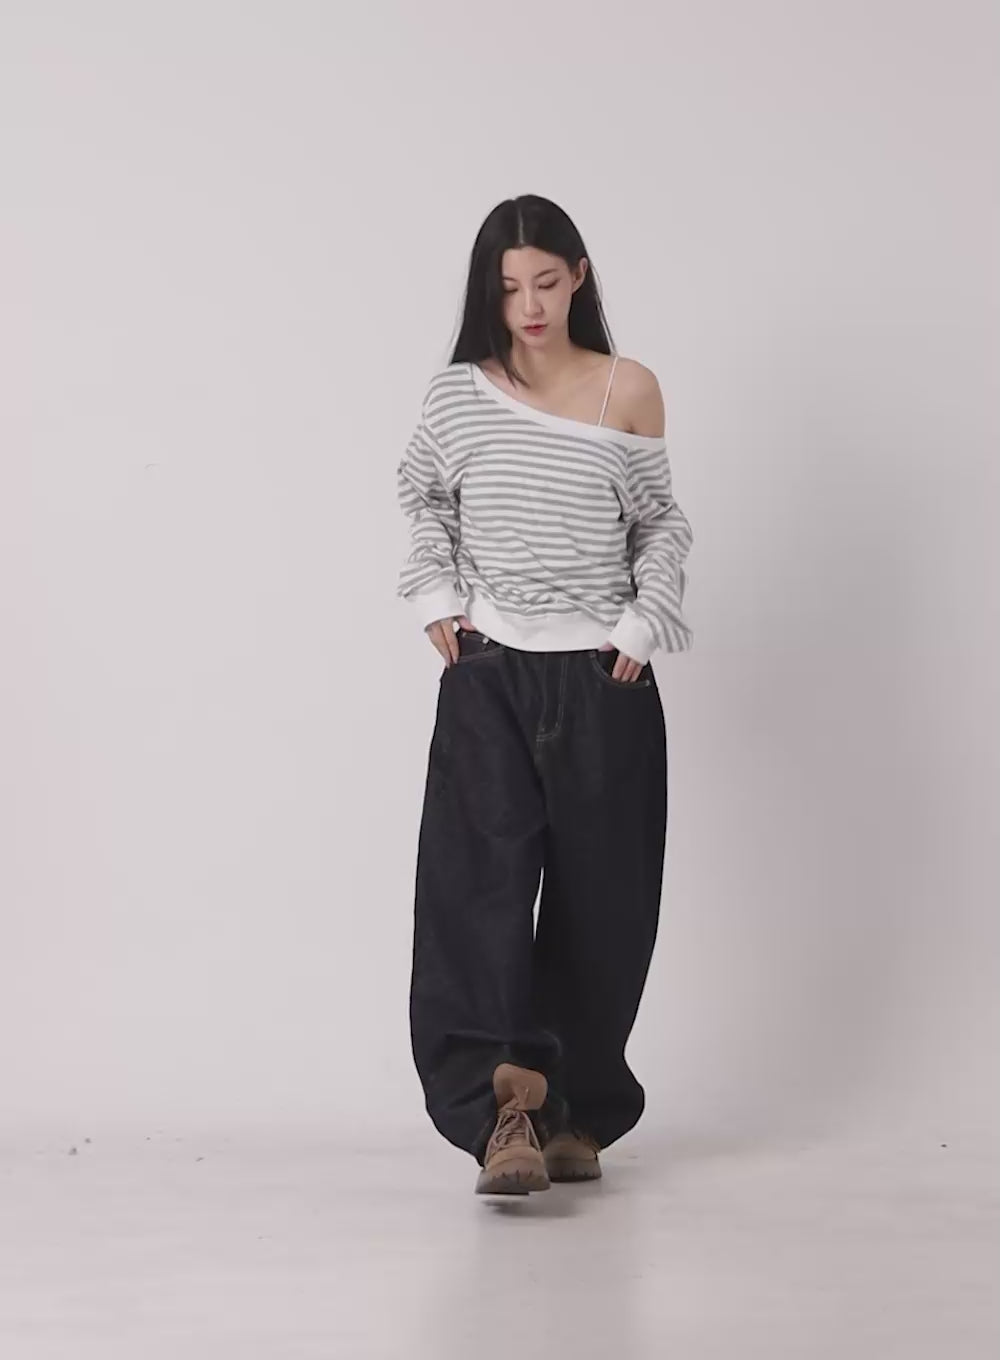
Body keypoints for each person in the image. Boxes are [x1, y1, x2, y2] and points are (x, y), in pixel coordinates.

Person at [396, 194, 694, 1196]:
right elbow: (423, 496)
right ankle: (504, 1119)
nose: (528, 305)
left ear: (578, 280)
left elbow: (659, 524)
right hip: (490, 674)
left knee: (605, 904)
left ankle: (575, 1111)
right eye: (508, 286)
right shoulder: (457, 395)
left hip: (606, 677)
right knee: (473, 898)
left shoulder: (627, 388)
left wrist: (642, 625)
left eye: (546, 282)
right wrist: (435, 597)